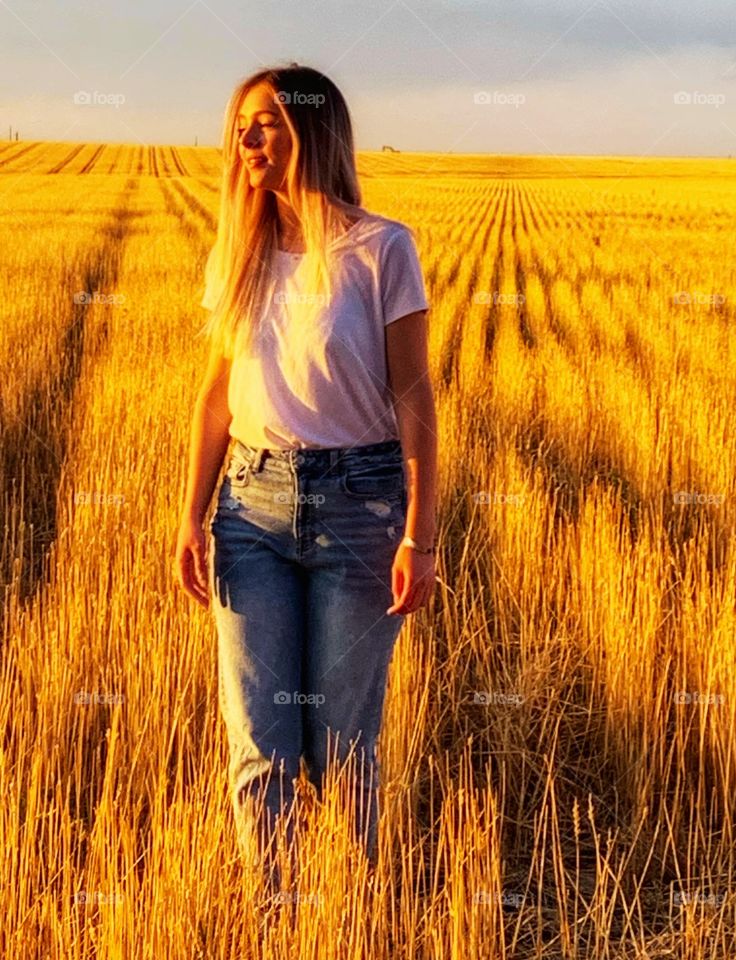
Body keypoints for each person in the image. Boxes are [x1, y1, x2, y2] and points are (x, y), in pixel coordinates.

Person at [173, 63, 437, 919]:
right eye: (242, 124)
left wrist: (421, 537)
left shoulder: (381, 248)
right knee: (260, 742)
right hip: (248, 510)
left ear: (313, 133)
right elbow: (216, 397)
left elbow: (414, 399)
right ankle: (277, 918)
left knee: (343, 746)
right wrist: (190, 515)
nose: (248, 139)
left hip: (360, 506)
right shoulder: (237, 254)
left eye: (268, 123)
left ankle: (350, 917)